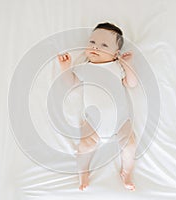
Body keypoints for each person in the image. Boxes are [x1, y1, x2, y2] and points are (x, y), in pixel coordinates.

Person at [57, 22, 137, 191]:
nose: (96, 47)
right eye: (92, 43)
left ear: (116, 54)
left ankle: (127, 171)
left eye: (104, 45)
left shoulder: (118, 67)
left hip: (120, 120)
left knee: (130, 144)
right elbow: (70, 82)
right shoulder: (85, 68)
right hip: (94, 122)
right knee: (84, 146)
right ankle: (83, 171)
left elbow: (131, 83)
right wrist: (65, 68)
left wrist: (128, 65)